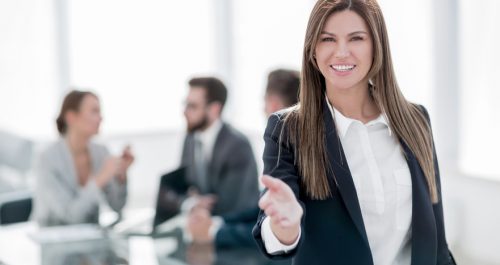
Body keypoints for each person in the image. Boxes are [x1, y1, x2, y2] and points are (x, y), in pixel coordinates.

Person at [253, 1, 456, 265]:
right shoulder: (287, 129)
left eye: (356, 38)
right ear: (313, 50)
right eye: (328, 39)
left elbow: (437, 241)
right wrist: (286, 226)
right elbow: (272, 235)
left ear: (376, 46)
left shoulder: (416, 120)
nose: (341, 52)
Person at [187, 69, 300, 251]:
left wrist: (214, 232)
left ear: (272, 104)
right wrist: (217, 222)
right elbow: (263, 213)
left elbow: (278, 227)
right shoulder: (287, 147)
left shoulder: (291, 155)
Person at [33, 90, 133, 226]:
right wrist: (99, 180)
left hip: (91, 239)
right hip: (54, 239)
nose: (101, 118)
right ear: (71, 117)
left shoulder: (101, 152)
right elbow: (70, 216)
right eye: (94, 111)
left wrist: (121, 176)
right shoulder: (47, 159)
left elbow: (118, 206)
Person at [177, 77, 259, 216]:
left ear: (214, 109)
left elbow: (234, 204)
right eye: (185, 104)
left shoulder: (238, 146)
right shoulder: (190, 139)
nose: (185, 112)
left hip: (231, 229)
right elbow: (181, 186)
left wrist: (196, 202)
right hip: (199, 224)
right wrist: (191, 202)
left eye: (193, 106)